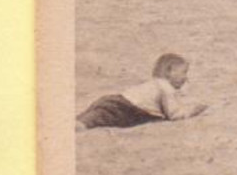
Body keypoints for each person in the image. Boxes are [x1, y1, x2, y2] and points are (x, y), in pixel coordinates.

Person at [76, 53, 207, 130]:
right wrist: (195, 110)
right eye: (183, 72)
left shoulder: (154, 83)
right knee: (94, 121)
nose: (186, 77)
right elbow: (174, 115)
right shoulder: (165, 87)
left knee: (87, 118)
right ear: (169, 72)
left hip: (113, 100)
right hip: (125, 109)